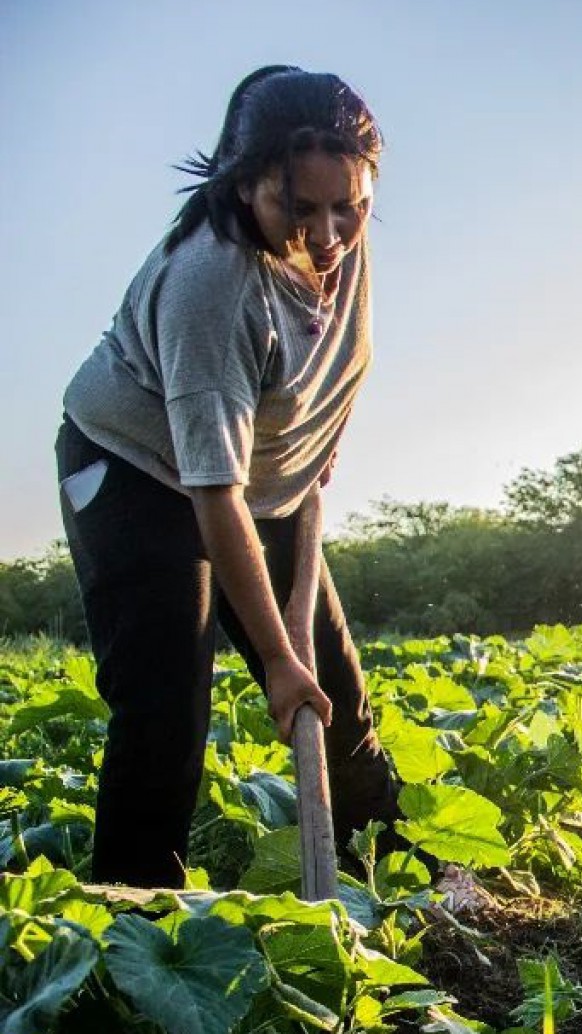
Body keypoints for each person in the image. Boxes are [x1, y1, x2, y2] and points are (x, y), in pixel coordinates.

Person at [56, 66, 402, 888]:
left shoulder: (342, 239)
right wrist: (276, 662)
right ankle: (135, 916)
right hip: (138, 469)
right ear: (245, 181)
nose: (328, 233)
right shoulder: (210, 284)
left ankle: (392, 874)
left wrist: (297, 632)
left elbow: (333, 390)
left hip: (267, 478)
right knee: (166, 705)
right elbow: (214, 495)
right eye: (300, 207)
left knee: (338, 691)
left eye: (347, 206)